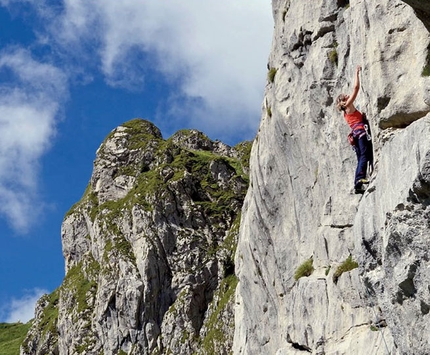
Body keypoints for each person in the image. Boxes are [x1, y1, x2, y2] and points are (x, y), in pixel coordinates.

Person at [336, 65, 373, 194]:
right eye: (346, 96)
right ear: (344, 100)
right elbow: (356, 89)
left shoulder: (345, 112)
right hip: (360, 134)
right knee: (364, 156)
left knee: (361, 158)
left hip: (356, 136)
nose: (348, 95)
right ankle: (359, 180)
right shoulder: (347, 106)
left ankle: (357, 184)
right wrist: (357, 73)